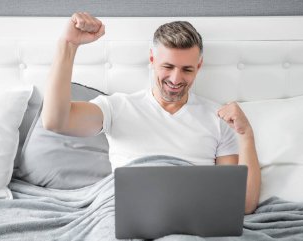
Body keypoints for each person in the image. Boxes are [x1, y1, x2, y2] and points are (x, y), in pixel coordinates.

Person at [42, 12, 261, 214]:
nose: (176, 79)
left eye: (187, 69)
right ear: (152, 59)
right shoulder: (117, 107)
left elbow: (242, 205)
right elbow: (55, 121)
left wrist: (246, 134)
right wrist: (68, 45)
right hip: (124, 214)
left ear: (199, 65)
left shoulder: (219, 117)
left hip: (188, 219)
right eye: (168, 67)